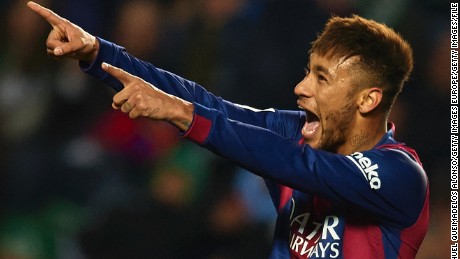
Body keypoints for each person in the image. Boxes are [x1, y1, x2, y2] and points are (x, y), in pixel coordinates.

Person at [27, 1, 429, 258]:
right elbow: (210, 104)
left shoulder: (400, 176)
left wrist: (184, 116)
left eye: (321, 79)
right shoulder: (300, 131)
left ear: (367, 100)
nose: (300, 88)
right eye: (307, 72)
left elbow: (301, 166)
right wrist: (100, 53)